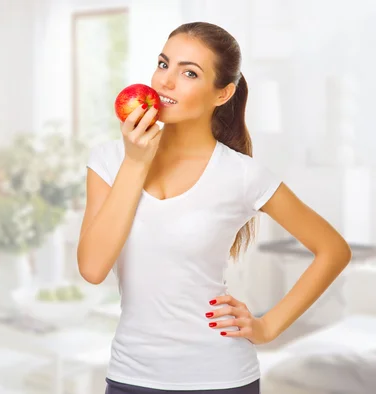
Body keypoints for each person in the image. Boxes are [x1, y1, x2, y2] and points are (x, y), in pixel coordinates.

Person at [77, 21, 352, 394]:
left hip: (221, 378)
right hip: (131, 375)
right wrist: (136, 163)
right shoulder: (110, 160)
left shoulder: (242, 175)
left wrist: (267, 326)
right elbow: (92, 268)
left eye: (189, 72)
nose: (165, 82)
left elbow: (333, 250)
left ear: (222, 94)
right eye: (163, 64)